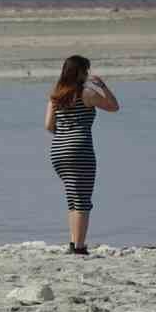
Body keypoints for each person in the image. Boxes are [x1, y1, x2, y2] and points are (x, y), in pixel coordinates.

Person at [44, 55, 120, 255]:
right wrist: (102, 85)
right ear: (79, 72)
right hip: (80, 149)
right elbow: (114, 106)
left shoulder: (55, 96)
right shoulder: (86, 93)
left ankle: (73, 242)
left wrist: (65, 134)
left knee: (73, 198)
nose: (87, 74)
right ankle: (79, 247)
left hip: (58, 150)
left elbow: (49, 126)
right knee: (83, 200)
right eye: (85, 70)